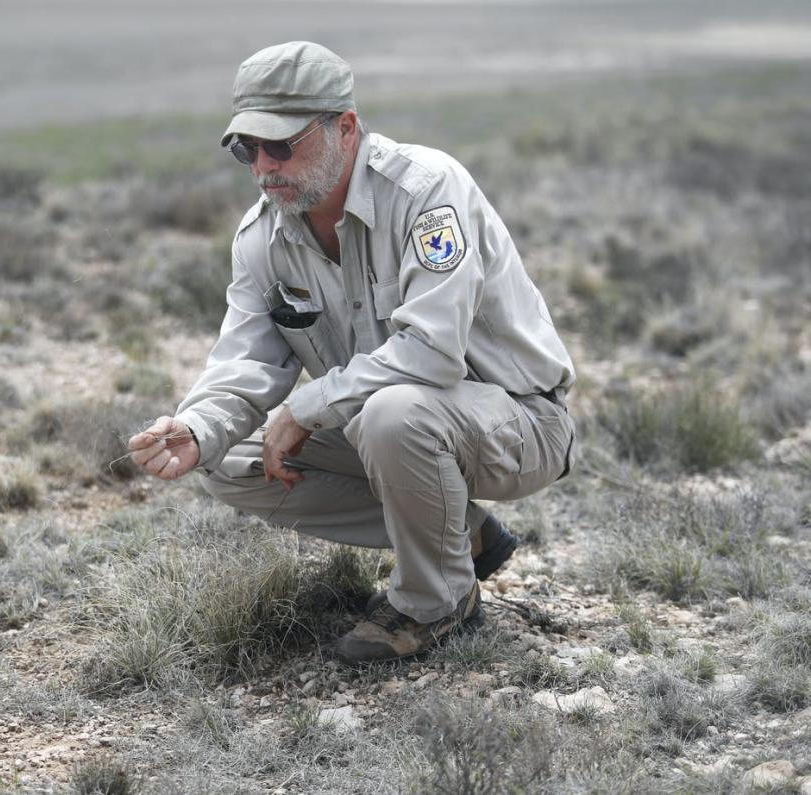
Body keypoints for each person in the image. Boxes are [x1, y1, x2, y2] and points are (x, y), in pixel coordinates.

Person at [127, 41, 575, 664]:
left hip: (520, 424)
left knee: (393, 411)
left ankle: (435, 602)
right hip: (386, 425)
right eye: (245, 148)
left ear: (345, 126)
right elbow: (246, 360)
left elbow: (432, 351)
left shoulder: (426, 190)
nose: (263, 166)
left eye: (281, 144)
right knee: (226, 459)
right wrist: (198, 428)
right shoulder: (263, 236)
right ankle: (462, 539)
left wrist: (307, 407)